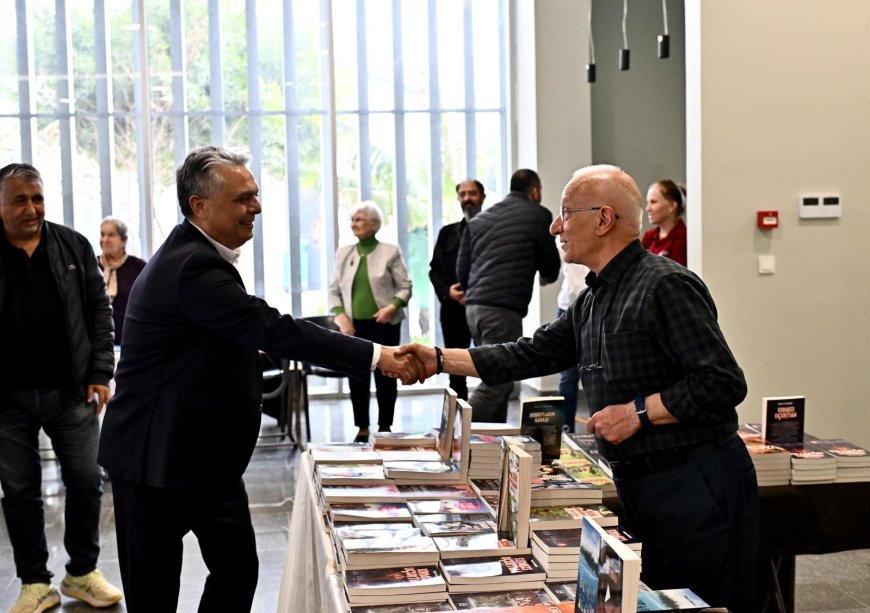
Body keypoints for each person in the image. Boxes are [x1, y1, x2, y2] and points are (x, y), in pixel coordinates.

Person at [398, 165, 759, 613]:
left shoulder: (665, 285)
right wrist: (437, 359)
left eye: (565, 213)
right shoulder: (593, 299)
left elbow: (722, 381)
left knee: (708, 603)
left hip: (696, 485)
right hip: (643, 486)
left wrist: (638, 413)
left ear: (604, 219)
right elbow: (527, 354)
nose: (554, 226)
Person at [97, 146, 422, 612]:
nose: (258, 207)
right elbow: (273, 328)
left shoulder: (197, 255)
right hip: (156, 458)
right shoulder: (192, 264)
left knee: (237, 569)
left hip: (201, 455)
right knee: (155, 593)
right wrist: (379, 356)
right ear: (200, 206)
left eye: (256, 195)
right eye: (243, 198)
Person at [0, 163, 123, 612]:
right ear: (1, 204)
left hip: (70, 391)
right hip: (7, 398)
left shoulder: (72, 245)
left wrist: (101, 372)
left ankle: (82, 573)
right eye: (20, 200)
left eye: (37, 197)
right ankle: (35, 582)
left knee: (87, 481)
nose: (32, 208)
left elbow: (99, 312)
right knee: (19, 491)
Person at [455, 168, 560, 421]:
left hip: (474, 309)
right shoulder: (538, 214)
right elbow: (550, 263)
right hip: (501, 309)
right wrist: (547, 276)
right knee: (498, 380)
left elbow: (462, 269)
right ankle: (457, 435)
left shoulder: (480, 219)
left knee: (498, 376)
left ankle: (490, 447)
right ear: (535, 191)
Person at [329, 201, 413, 442]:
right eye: (353, 219)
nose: (354, 224)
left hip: (385, 324)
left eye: (360, 219)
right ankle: (362, 427)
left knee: (386, 376)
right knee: (357, 376)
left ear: (375, 224)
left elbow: (406, 286)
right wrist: (341, 318)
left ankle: (385, 425)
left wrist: (392, 307)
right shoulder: (344, 252)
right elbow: (333, 290)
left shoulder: (390, 251)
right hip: (353, 327)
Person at [428, 179, 486, 400]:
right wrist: (447, 292)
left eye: (472, 193)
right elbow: (434, 270)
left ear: (482, 197)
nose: (467, 198)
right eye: (462, 194)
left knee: (493, 365)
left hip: (484, 309)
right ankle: (459, 423)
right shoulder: (447, 233)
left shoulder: (493, 232)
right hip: (453, 311)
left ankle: (487, 425)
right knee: (455, 370)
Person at [98, 216, 147, 345]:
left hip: (131, 339)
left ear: (124, 240)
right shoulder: (91, 265)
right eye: (102, 234)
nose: (104, 239)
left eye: (111, 235)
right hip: (99, 340)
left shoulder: (138, 266)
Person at [555, 248, 589, 432]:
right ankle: (565, 429)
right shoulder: (562, 236)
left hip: (595, 303)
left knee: (602, 373)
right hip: (567, 306)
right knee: (568, 375)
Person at [641, 179, 687, 266]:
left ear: (672, 206)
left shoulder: (683, 237)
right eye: (648, 202)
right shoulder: (649, 236)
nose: (648, 208)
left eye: (653, 202)